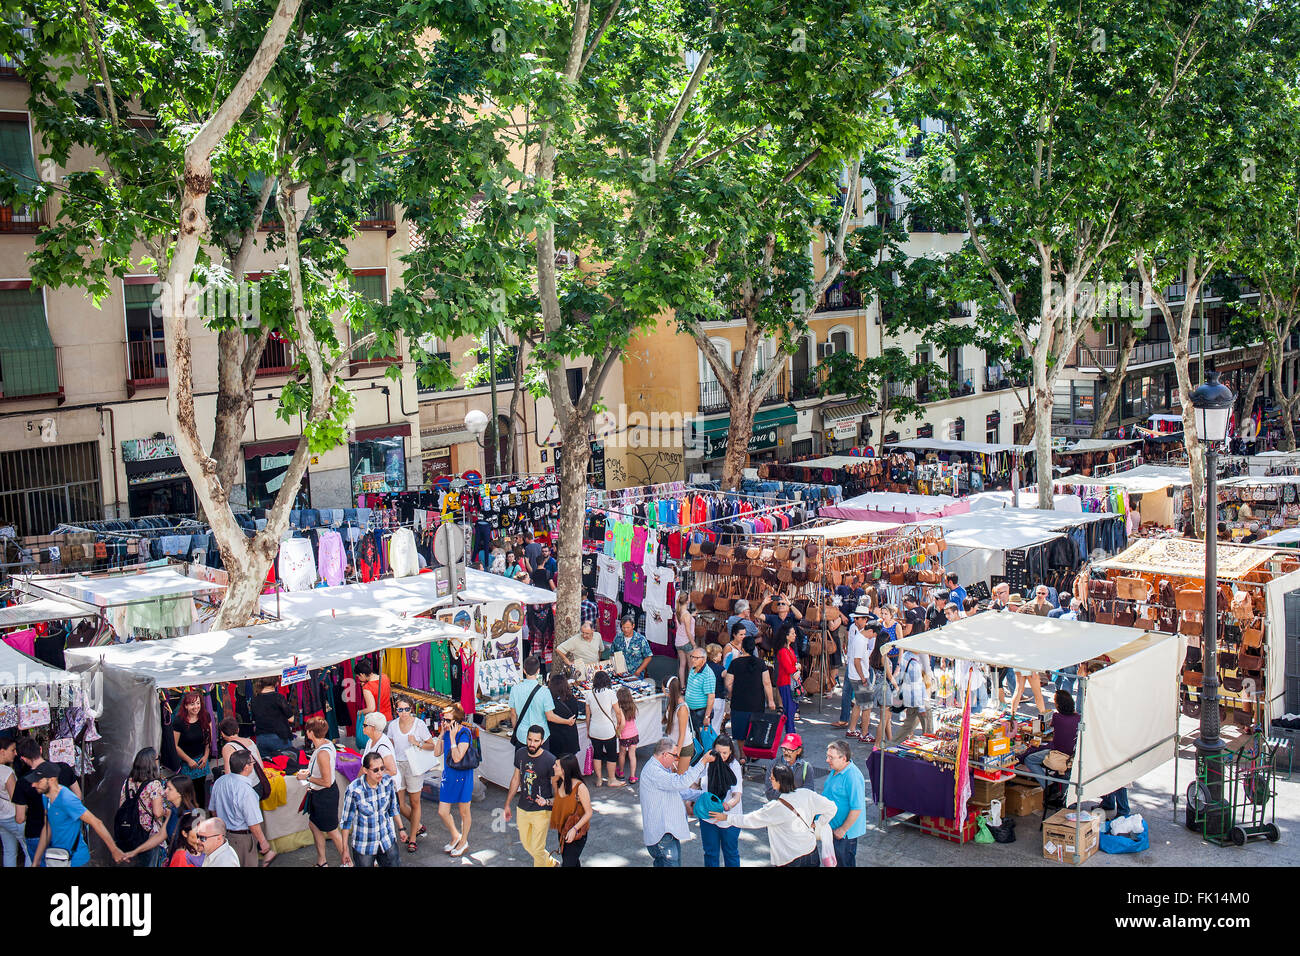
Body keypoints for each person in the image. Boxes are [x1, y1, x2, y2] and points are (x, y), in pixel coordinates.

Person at [708, 763, 837, 867]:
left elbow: (750, 820)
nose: (770, 780)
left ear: (779, 782)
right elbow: (832, 807)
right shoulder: (806, 793)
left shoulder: (775, 808)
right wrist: (818, 824)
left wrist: (726, 818)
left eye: (772, 778)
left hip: (790, 858)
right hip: (811, 852)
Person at [28, 761, 125, 866]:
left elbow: (96, 822)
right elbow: (48, 826)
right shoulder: (45, 797)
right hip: (58, 858)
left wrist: (114, 850)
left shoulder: (67, 799)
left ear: (51, 780)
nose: (33, 785)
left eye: (38, 781)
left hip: (76, 861)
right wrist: (36, 860)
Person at [639, 737, 709, 867]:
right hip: (662, 834)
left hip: (667, 832)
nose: (677, 759)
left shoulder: (662, 770)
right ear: (665, 754)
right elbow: (681, 782)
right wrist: (703, 762)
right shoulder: (654, 771)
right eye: (675, 756)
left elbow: (680, 791)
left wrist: (703, 795)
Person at [208, 748, 273, 867]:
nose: (253, 765)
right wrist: (263, 842)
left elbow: (213, 810)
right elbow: (253, 823)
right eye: (252, 762)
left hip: (223, 835)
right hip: (241, 838)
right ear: (246, 767)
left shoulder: (220, 781)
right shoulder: (246, 791)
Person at [340, 751, 406, 867]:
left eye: (382, 768)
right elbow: (346, 822)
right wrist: (344, 850)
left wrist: (401, 829)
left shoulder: (388, 782)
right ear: (365, 770)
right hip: (364, 845)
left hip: (387, 841)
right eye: (375, 770)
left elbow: (393, 808)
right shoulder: (354, 790)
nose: (380, 773)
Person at [503, 726, 557, 867]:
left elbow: (557, 789)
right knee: (528, 845)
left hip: (541, 810)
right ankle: (551, 863)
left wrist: (550, 803)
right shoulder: (520, 753)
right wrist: (508, 803)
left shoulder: (550, 760)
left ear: (542, 741)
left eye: (536, 741)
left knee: (537, 848)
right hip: (523, 807)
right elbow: (516, 779)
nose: (532, 744)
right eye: (529, 739)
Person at [296, 716, 346, 867]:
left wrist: (307, 776)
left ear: (310, 733)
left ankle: (347, 862)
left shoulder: (322, 753)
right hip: (320, 794)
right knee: (314, 825)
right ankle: (322, 861)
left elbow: (326, 781)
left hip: (325, 796)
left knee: (332, 831)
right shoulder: (327, 744)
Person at [388, 695, 436, 851]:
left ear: (411, 709)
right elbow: (391, 746)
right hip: (397, 765)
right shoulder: (393, 725)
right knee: (399, 804)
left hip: (413, 764)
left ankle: (413, 837)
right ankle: (419, 825)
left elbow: (432, 746)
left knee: (415, 802)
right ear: (396, 710)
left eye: (406, 709)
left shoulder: (419, 724)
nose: (403, 713)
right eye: (400, 709)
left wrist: (417, 743)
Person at [696, 733, 744, 867]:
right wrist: (690, 801)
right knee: (710, 853)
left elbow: (737, 796)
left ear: (730, 752)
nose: (722, 756)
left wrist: (724, 809)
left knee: (731, 853)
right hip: (707, 817)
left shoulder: (734, 766)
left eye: (725, 753)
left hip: (728, 818)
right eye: (718, 752)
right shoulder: (708, 761)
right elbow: (696, 781)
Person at [434, 704, 475, 857]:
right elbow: (436, 752)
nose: (444, 722)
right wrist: (440, 735)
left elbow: (457, 757)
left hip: (463, 776)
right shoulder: (446, 731)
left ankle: (464, 841)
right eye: (443, 719)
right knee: (442, 811)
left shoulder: (464, 734)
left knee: (464, 812)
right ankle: (455, 835)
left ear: (457, 721)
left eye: (447, 720)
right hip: (448, 776)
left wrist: (452, 739)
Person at [117, 747, 168, 867]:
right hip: (149, 834)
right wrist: (167, 811)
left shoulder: (128, 782)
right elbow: (157, 812)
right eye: (157, 758)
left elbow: (121, 807)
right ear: (152, 763)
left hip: (130, 832)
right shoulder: (154, 785)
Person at [1021, 690, 1081, 786]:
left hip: (1058, 753)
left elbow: (1049, 727)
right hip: (1072, 753)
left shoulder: (1057, 717)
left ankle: (1048, 784)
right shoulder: (1078, 718)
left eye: (1055, 701)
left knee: (1029, 759)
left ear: (1058, 704)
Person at [725, 633, 775, 745]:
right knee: (755, 730)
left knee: (740, 732)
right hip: (757, 703)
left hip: (739, 703)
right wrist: (771, 701)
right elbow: (767, 683)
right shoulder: (760, 663)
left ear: (743, 648)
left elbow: (728, 684)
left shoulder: (735, 663)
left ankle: (742, 755)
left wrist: (732, 694)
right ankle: (752, 753)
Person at [823, 740, 866, 867]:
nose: (827, 760)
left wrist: (842, 830)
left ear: (844, 758)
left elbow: (857, 808)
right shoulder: (835, 769)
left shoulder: (852, 776)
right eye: (827, 756)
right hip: (833, 830)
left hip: (844, 836)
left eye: (831, 757)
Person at [549, 753, 594, 867]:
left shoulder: (580, 788)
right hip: (563, 830)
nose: (553, 767)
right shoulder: (559, 782)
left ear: (564, 770)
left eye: (556, 765)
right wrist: (546, 802)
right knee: (572, 861)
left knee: (568, 863)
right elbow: (559, 801)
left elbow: (589, 812)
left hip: (576, 831)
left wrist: (574, 829)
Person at [884, 640, 933, 742]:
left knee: (907, 727)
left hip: (909, 698)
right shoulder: (914, 664)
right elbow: (917, 687)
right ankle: (928, 749)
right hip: (917, 700)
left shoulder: (906, 656)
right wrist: (922, 708)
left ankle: (892, 745)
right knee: (928, 731)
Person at [171, 690, 213, 806]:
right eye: (192, 704)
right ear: (185, 706)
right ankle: (190, 821)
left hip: (201, 762)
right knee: (188, 796)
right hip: (186, 764)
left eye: (198, 703)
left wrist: (206, 756)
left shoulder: (205, 716)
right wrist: (189, 760)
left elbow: (209, 738)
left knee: (200, 793)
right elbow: (175, 745)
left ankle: (201, 820)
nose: (196, 707)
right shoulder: (179, 721)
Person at [836, 604, 874, 731]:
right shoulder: (853, 628)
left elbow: (871, 649)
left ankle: (860, 728)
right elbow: (850, 645)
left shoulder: (870, 631)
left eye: (858, 618)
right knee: (850, 695)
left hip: (861, 669)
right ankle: (848, 722)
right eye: (855, 618)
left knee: (862, 703)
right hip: (854, 668)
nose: (856, 620)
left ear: (865, 619)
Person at [584, 671, 624, 787]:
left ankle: (599, 779)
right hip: (608, 729)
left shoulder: (589, 694)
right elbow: (617, 712)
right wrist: (618, 724)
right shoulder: (611, 693)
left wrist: (588, 729)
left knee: (597, 754)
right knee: (611, 755)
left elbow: (588, 715)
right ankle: (611, 779)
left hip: (594, 729)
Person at [508, 655, 556, 750]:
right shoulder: (545, 691)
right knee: (542, 763)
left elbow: (513, 714)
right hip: (541, 736)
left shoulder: (515, 689)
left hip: (522, 735)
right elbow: (550, 716)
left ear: (524, 670)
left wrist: (515, 729)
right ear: (538, 671)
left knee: (521, 763)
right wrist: (567, 721)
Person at [249, 677, 296, 755]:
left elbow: (254, 719)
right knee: (286, 764)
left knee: (267, 764)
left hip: (261, 738)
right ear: (276, 683)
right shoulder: (279, 697)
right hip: (279, 736)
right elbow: (291, 719)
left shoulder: (254, 699)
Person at [0, 736, 27, 868]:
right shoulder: (7, 772)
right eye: (12, 750)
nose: (15, 753)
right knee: (29, 851)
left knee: (9, 852)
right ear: (2, 751)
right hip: (13, 816)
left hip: (1, 818)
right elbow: (16, 798)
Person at [764, 732, 814, 797]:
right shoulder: (773, 764)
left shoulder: (807, 768)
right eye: (784, 749)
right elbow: (769, 792)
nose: (786, 753)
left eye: (790, 750)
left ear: (798, 751)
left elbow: (809, 791)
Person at [545, 673, 582, 759]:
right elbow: (575, 715)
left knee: (556, 764)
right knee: (569, 764)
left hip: (555, 738)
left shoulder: (549, 701)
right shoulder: (571, 699)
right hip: (570, 737)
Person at [360, 712, 399, 790]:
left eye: (364, 725)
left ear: (372, 728)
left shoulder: (383, 747)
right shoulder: (371, 741)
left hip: (383, 788)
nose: (362, 727)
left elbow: (393, 771)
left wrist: (371, 773)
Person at [662, 676, 694, 772]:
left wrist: (677, 754)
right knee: (674, 775)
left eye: (663, 688)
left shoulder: (682, 708)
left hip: (683, 747)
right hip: (673, 745)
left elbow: (682, 734)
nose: (662, 690)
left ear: (668, 690)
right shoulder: (671, 702)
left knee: (681, 778)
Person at [684, 645, 716, 739]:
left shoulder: (708, 674)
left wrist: (707, 716)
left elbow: (711, 696)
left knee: (702, 739)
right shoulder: (693, 669)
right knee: (694, 737)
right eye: (692, 657)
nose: (693, 660)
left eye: (696, 658)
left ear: (704, 659)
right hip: (692, 711)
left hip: (701, 713)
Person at [162, 773, 199, 855]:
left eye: (169, 789)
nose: (165, 791)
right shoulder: (173, 809)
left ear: (180, 793)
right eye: (166, 787)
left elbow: (194, 848)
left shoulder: (190, 817)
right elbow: (161, 835)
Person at [774, 620, 800, 731]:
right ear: (786, 636)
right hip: (786, 683)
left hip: (790, 682)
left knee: (792, 709)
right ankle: (790, 733)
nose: (795, 635)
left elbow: (794, 667)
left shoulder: (790, 649)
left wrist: (797, 669)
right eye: (792, 633)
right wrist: (797, 668)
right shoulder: (783, 651)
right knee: (789, 710)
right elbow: (791, 668)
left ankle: (791, 732)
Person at [615, 687, 640, 783]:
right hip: (634, 734)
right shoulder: (633, 706)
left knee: (622, 754)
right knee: (632, 755)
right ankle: (633, 776)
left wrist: (618, 732)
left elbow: (623, 724)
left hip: (624, 735)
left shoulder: (620, 710)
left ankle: (621, 772)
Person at [705, 643, 728, 732]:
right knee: (715, 727)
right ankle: (714, 744)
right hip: (717, 699)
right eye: (720, 653)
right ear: (714, 656)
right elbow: (728, 682)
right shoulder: (721, 669)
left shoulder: (703, 667)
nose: (721, 655)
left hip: (704, 698)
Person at [675, 593, 697, 686]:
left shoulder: (678, 612)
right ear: (687, 600)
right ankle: (690, 687)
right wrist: (694, 644)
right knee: (691, 666)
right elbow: (688, 631)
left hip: (678, 641)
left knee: (682, 665)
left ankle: (682, 686)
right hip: (687, 642)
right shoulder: (686, 614)